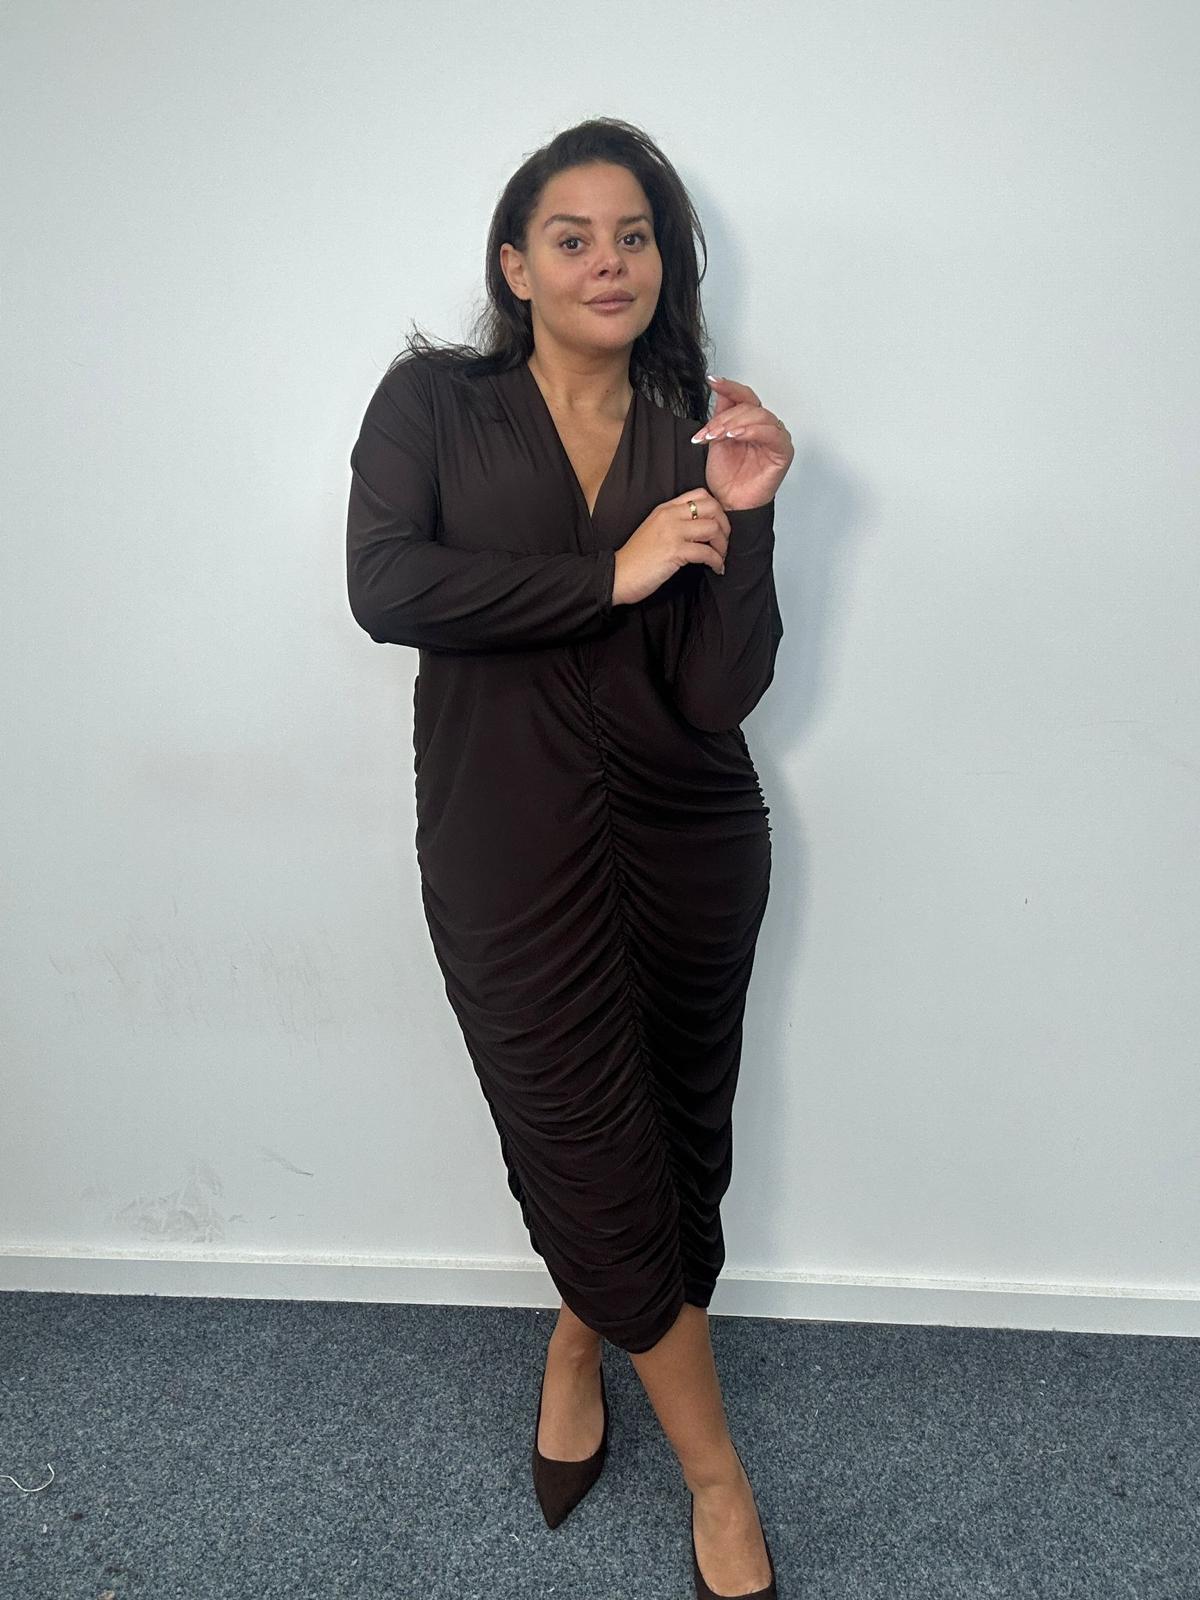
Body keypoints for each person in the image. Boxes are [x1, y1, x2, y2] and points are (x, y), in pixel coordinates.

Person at [346, 115, 794, 1599]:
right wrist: (612, 572)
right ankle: (721, 1485)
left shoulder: (691, 427)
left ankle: (576, 1341)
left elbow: (720, 693)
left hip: (691, 840)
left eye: (636, 236)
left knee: (675, 1148)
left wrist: (746, 520)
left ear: (666, 265)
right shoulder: (434, 403)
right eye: (573, 237)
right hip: (507, 851)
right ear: (516, 266)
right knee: (591, 1158)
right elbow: (386, 584)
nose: (610, 261)